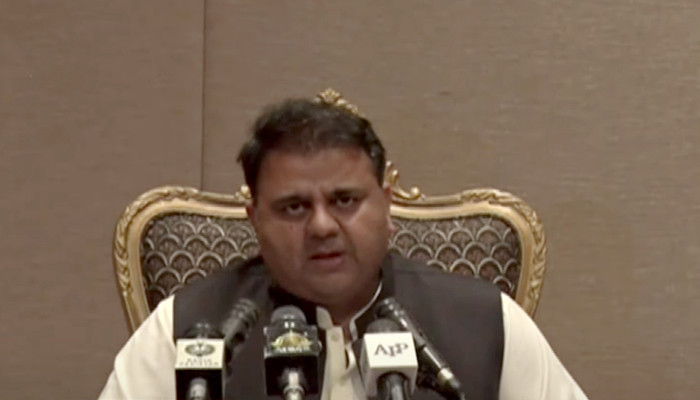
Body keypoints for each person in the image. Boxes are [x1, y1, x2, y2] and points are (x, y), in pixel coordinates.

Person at [98, 93, 588, 400]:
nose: (322, 226)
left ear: (387, 205)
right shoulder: (186, 330)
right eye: (294, 207)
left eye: (345, 200)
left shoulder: (486, 323)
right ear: (255, 219)